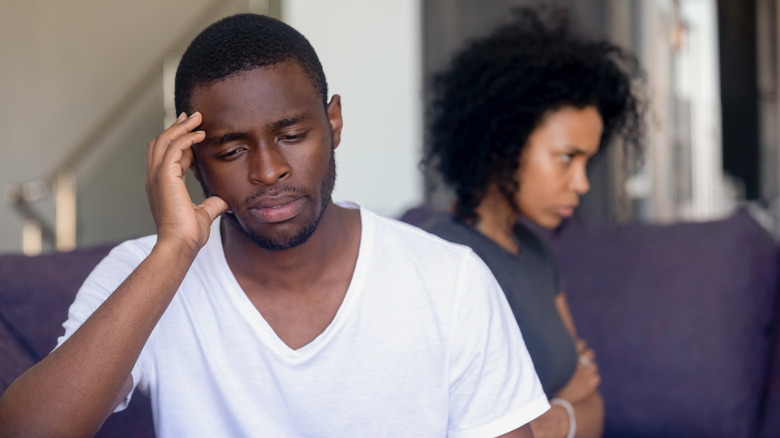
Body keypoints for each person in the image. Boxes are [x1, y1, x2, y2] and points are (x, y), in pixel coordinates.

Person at [0, 13, 549, 437]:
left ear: (333, 123)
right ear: (189, 158)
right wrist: (173, 253)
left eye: (291, 135)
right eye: (231, 149)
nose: (267, 171)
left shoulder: (449, 280)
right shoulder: (143, 275)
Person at [420, 7, 645, 438]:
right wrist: (566, 408)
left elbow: (595, 408)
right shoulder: (439, 258)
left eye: (587, 161)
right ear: (504, 144)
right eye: (566, 158)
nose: (581, 183)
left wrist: (552, 417)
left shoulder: (538, 256)